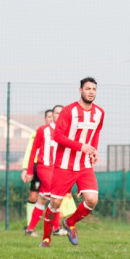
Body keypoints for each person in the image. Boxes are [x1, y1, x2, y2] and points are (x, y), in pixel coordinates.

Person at [40, 78, 105, 248]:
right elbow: (58, 137)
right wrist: (81, 146)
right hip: (64, 165)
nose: (91, 92)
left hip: (84, 165)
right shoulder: (68, 111)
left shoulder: (100, 113)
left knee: (92, 200)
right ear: (80, 91)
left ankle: (70, 222)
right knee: (55, 203)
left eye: (94, 89)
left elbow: (95, 134)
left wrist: (93, 150)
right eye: (88, 89)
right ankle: (46, 239)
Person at [24, 105, 67, 237]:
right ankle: (56, 228)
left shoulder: (67, 132)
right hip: (45, 168)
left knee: (42, 199)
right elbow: (33, 151)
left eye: (61, 113)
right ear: (52, 115)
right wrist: (30, 170)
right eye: (56, 113)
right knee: (55, 197)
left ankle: (30, 229)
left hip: (58, 169)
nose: (58, 115)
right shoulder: (43, 130)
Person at [21, 109, 52, 234]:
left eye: (53, 116)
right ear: (45, 118)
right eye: (48, 116)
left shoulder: (60, 132)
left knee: (53, 196)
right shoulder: (39, 132)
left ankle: (55, 227)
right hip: (37, 166)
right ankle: (30, 226)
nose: (51, 118)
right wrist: (26, 169)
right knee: (34, 195)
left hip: (53, 168)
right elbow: (30, 150)